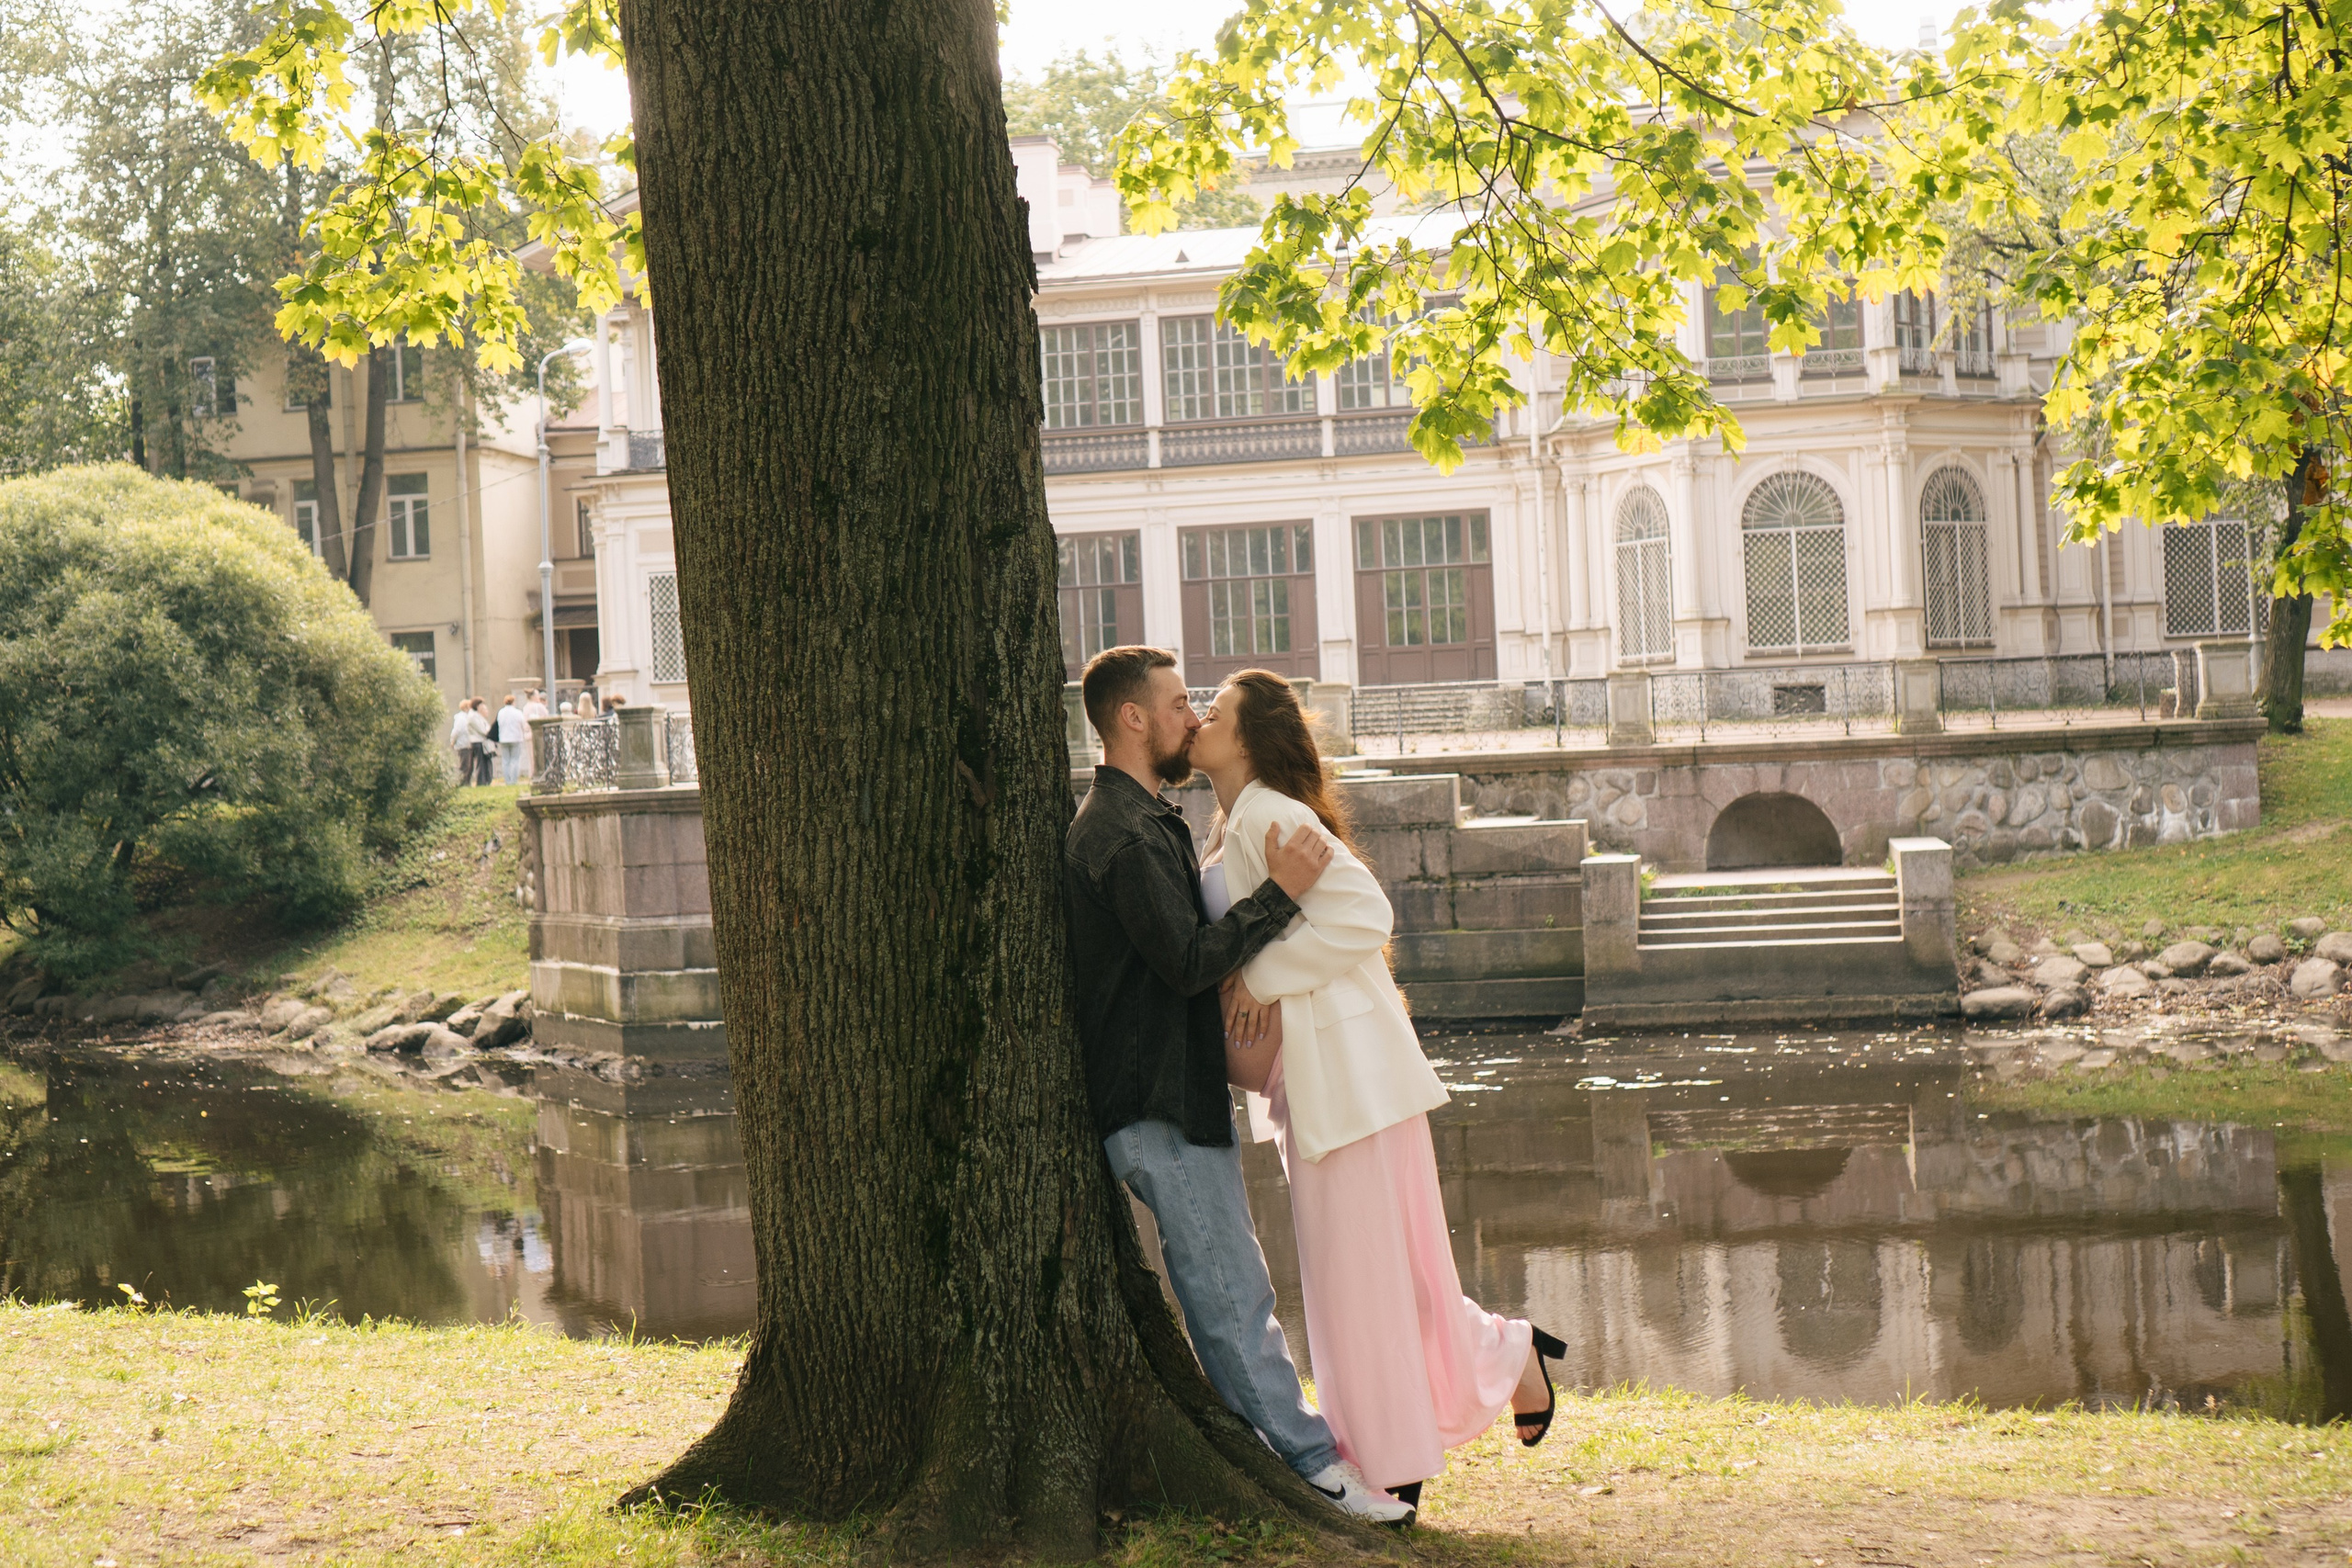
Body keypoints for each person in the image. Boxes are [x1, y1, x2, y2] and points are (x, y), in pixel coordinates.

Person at [1194, 669, 1566, 1511]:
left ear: (1249, 740)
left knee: (1358, 1283)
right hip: (1323, 1082)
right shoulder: (1234, 824)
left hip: (1344, 1081)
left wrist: (1259, 982)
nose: (1201, 717)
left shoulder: (1269, 815)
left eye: (1214, 710)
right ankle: (1508, 1358)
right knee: (1388, 1276)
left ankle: (1388, 1466)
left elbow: (1366, 912)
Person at [1062, 646, 1412, 1527]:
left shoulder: (1151, 822)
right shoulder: (1120, 831)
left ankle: (1288, 1456)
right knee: (1231, 1296)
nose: (1193, 715)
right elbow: (1185, 960)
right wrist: (1281, 899)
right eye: (1180, 703)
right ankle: (1315, 1470)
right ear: (1133, 719)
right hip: (1155, 1104)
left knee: (1233, 1287)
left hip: (1177, 1098)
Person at [493, 694, 529, 785]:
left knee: (505, 760)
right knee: (515, 760)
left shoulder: (501, 712)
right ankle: (513, 780)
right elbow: (523, 724)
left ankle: (507, 780)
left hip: (504, 738)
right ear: (513, 702)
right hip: (516, 738)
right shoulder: (517, 712)